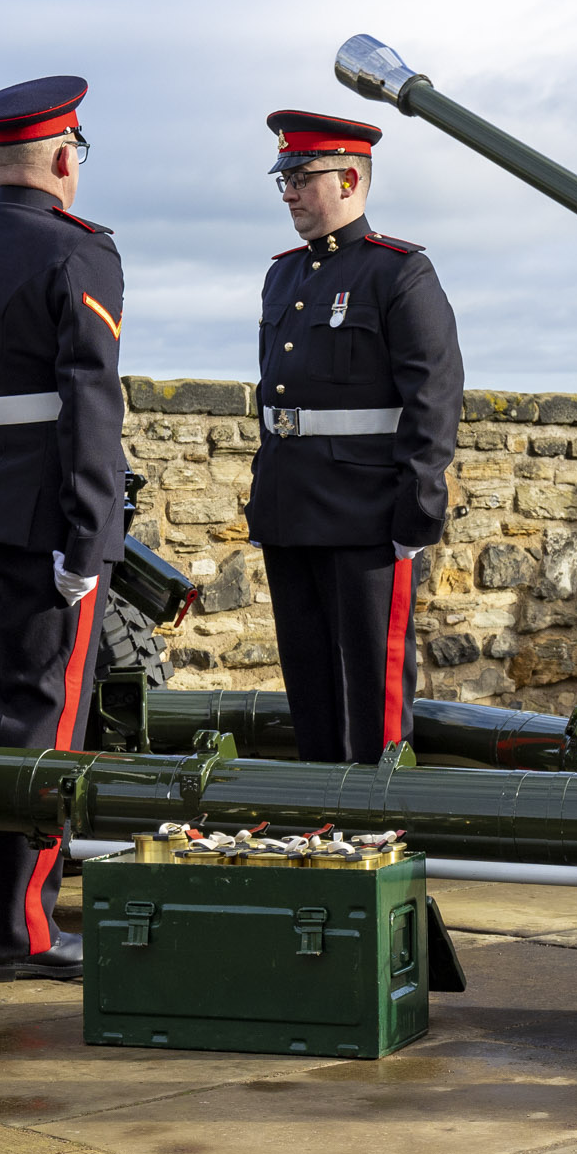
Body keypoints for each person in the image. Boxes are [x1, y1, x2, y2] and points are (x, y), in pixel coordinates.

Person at [0, 75, 127, 984]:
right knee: (38, 721)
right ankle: (22, 930)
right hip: (46, 518)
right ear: (60, 159)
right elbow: (90, 401)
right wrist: (91, 532)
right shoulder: (80, 252)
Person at [246, 109, 463, 763]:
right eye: (282, 177)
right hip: (293, 509)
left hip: (368, 516)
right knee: (310, 690)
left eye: (302, 176)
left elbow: (434, 400)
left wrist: (415, 510)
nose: (288, 191)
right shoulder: (284, 274)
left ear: (348, 178)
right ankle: (324, 827)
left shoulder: (399, 273)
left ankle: (378, 827)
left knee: (373, 692)